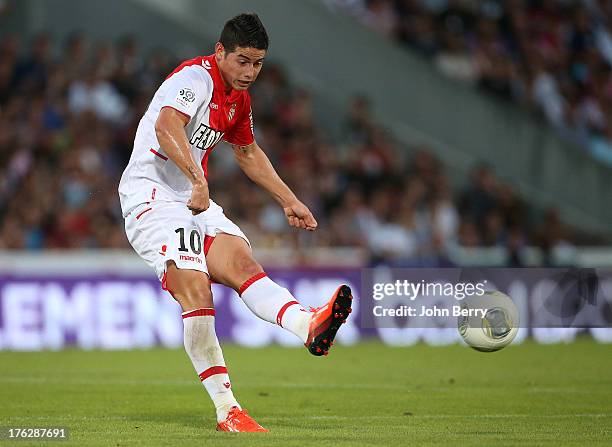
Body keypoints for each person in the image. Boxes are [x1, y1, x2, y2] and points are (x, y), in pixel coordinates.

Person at [118, 13, 353, 432]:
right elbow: (167, 124)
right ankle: (227, 410)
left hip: (192, 197)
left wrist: (289, 199)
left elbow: (247, 153)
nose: (250, 72)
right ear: (220, 51)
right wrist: (197, 178)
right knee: (196, 287)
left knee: (242, 263)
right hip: (150, 194)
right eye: (242, 60)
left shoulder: (238, 99)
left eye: (258, 63)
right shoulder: (193, 79)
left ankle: (307, 325)